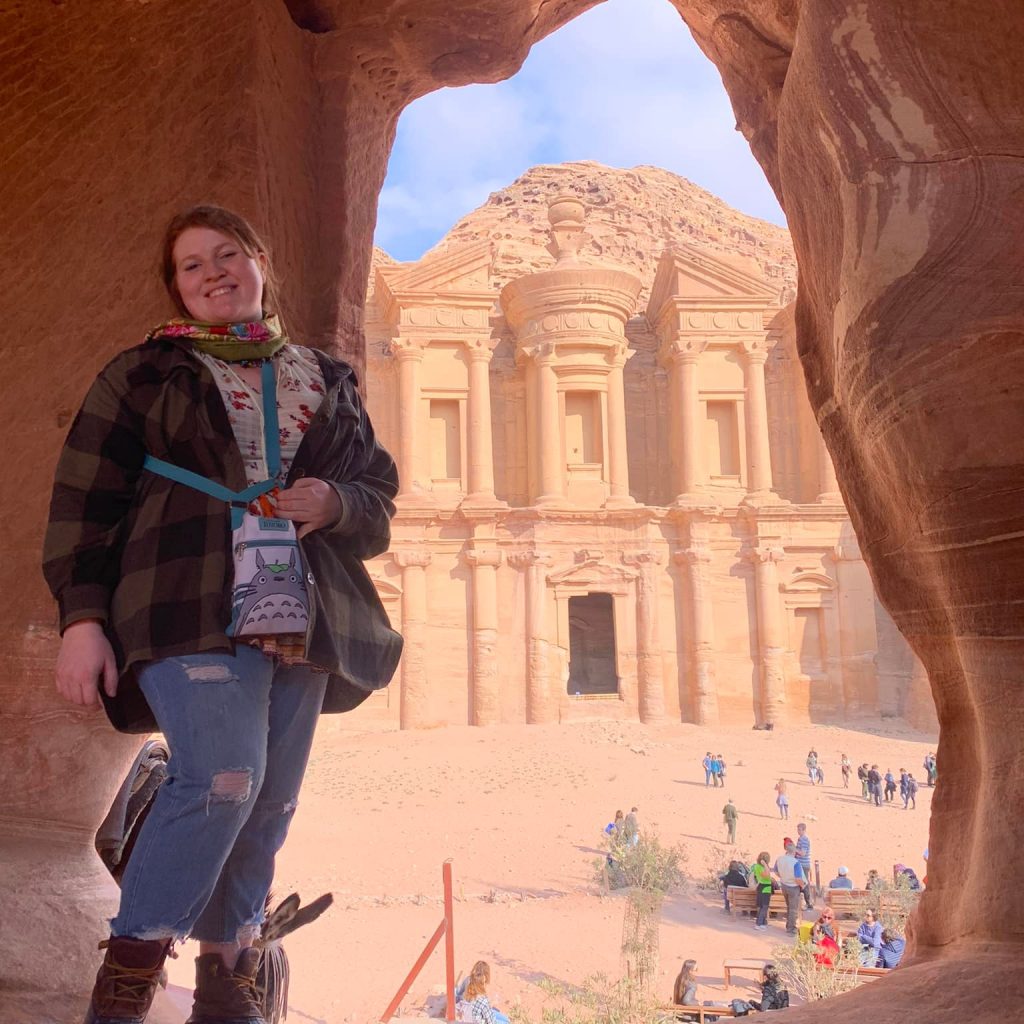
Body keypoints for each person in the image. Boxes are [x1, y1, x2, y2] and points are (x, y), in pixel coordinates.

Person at [44, 205, 402, 1024]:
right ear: (176, 288)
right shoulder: (142, 375)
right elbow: (83, 503)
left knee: (270, 798)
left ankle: (228, 981)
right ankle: (126, 985)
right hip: (179, 600)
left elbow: (378, 498)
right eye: (192, 266)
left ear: (261, 262)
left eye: (226, 255)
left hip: (300, 610)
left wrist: (336, 501)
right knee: (222, 779)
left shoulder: (328, 379)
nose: (212, 274)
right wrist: (82, 618)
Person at [773, 841, 806, 935]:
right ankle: (791, 929)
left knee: (789, 906)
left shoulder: (779, 859)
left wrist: (783, 877)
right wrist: (802, 885)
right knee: (793, 908)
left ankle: (789, 925)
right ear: (794, 851)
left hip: (784, 885)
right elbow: (798, 878)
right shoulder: (796, 863)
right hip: (793, 887)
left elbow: (775, 871)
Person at [751, 852, 774, 930]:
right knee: (764, 906)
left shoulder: (759, 866)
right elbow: (766, 874)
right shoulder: (759, 867)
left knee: (764, 907)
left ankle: (763, 923)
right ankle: (759, 923)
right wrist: (765, 865)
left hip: (765, 887)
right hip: (764, 887)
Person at [795, 823, 814, 909]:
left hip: (803, 864)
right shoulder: (800, 839)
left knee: (804, 884)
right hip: (799, 864)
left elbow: (803, 853)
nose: (798, 831)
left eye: (800, 830)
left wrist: (794, 849)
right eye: (798, 829)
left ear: (804, 830)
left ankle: (809, 903)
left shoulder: (805, 840)